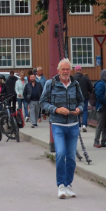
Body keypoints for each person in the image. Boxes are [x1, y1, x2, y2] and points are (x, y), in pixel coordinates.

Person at [40, 59, 85, 199]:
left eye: (68, 69)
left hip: (73, 125)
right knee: (60, 154)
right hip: (58, 124)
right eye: (63, 69)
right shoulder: (50, 84)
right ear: (58, 70)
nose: (66, 72)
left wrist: (80, 109)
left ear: (70, 70)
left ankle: (69, 185)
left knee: (71, 157)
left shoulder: (75, 85)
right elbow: (43, 102)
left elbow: (82, 101)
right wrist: (56, 109)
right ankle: (60, 186)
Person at [93, 69, 106, 148]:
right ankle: (96, 141)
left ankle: (104, 140)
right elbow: (99, 96)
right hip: (102, 107)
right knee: (100, 125)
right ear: (105, 75)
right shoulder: (101, 84)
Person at [72, 66, 94, 130]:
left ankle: (78, 125)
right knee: (84, 110)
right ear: (81, 70)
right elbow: (91, 88)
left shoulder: (72, 78)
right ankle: (84, 125)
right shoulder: (85, 78)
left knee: (76, 110)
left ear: (75, 70)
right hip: (84, 97)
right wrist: (89, 92)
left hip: (75, 97)